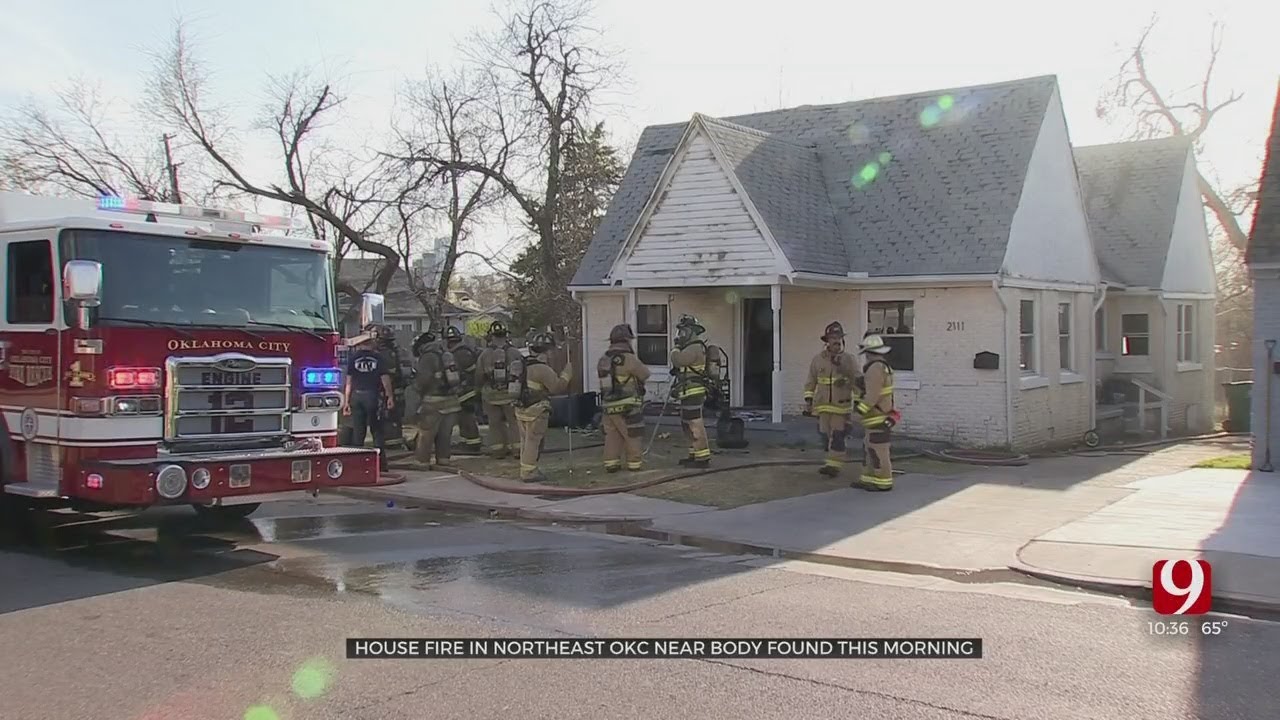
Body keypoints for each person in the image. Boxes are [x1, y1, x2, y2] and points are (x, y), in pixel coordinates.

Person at [803, 321, 860, 477]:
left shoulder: (848, 359)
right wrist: (808, 400)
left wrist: (859, 400)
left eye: (838, 337)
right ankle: (831, 461)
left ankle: (834, 465)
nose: (836, 340)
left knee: (837, 436)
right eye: (833, 337)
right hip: (822, 406)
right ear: (826, 340)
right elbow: (811, 380)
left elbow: (857, 380)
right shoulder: (818, 360)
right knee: (825, 434)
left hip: (841, 406)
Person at [514, 331, 573, 482]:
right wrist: (567, 374)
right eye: (551, 350)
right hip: (536, 410)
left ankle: (526, 467)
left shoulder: (523, 365)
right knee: (533, 441)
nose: (552, 354)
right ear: (546, 350)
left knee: (525, 441)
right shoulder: (542, 369)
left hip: (521, 409)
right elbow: (557, 388)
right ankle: (528, 473)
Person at [597, 324, 650, 473]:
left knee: (612, 435)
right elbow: (645, 374)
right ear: (627, 340)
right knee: (632, 434)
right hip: (628, 406)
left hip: (608, 406)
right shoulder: (629, 359)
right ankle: (634, 463)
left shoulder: (603, 359)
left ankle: (611, 464)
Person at [669, 314, 718, 468]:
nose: (680, 335)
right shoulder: (691, 347)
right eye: (679, 332)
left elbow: (678, 360)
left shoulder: (694, 347)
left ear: (692, 331)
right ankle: (694, 454)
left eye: (683, 332)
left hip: (693, 392)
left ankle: (702, 458)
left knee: (694, 424)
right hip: (687, 391)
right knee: (687, 424)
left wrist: (675, 349)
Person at [853, 334, 898, 491]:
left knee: (879, 450)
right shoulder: (884, 367)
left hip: (876, 417)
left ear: (869, 353)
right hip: (879, 416)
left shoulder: (874, 369)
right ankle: (868, 478)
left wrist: (858, 412)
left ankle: (883, 482)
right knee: (870, 448)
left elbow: (872, 396)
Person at [343, 331, 394, 470]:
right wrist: (390, 397)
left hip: (356, 396)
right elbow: (385, 379)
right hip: (372, 397)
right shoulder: (378, 358)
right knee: (377, 431)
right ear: (370, 343)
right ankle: (380, 465)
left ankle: (356, 466)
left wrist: (346, 402)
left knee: (358, 432)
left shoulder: (353, 358)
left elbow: (349, 382)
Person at [475, 321, 523, 458]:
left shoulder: (484, 355)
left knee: (494, 423)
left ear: (491, 336)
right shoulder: (515, 352)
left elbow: (479, 375)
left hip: (491, 396)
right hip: (511, 394)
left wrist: (478, 390)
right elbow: (523, 372)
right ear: (506, 335)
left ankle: (498, 451)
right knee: (514, 422)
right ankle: (518, 450)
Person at [412, 334, 462, 468]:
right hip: (452, 401)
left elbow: (423, 379)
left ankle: (422, 462)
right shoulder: (446, 353)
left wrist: (416, 389)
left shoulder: (428, 357)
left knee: (426, 434)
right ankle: (443, 460)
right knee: (445, 434)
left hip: (433, 402)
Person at [441, 325, 483, 454]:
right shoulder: (465, 351)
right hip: (467, 390)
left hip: (466, 391)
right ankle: (467, 442)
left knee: (466, 418)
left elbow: (467, 372)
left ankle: (473, 443)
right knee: (463, 418)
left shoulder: (459, 354)